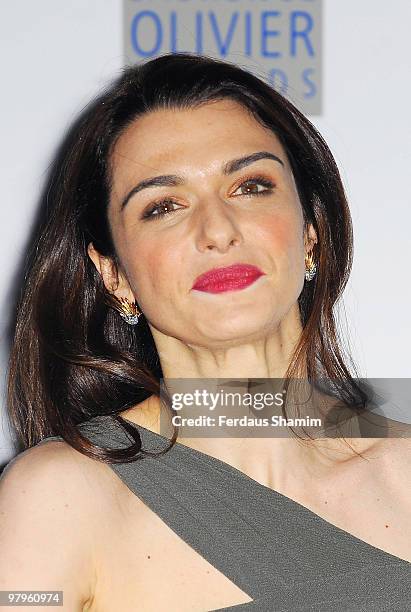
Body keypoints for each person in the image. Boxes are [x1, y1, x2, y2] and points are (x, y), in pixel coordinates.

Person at [0, 52, 410, 612]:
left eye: (251, 186)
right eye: (163, 206)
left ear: (311, 232)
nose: (217, 230)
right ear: (115, 273)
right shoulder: (56, 501)